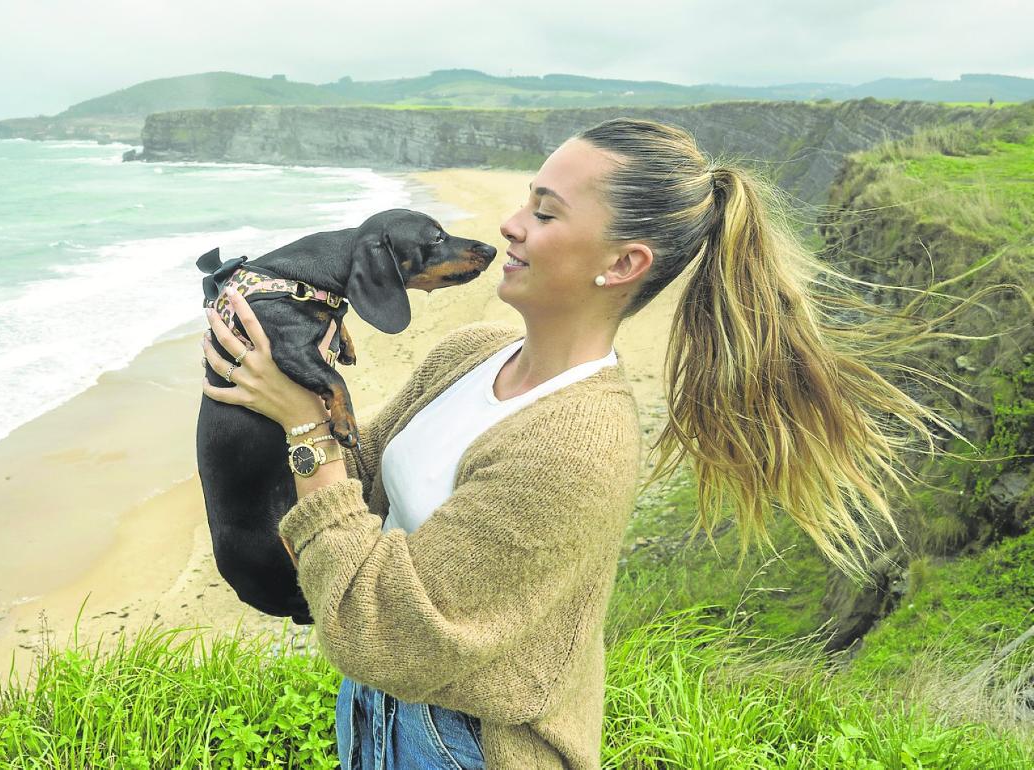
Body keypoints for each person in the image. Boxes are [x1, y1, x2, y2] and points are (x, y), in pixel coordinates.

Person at [200, 117, 962, 769]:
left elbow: (386, 629)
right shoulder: (469, 354)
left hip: (464, 741)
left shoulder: (575, 446)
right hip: (374, 713)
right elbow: (360, 489)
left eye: (545, 212)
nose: (509, 226)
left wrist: (303, 425)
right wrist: (269, 372)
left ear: (623, 264)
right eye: (525, 201)